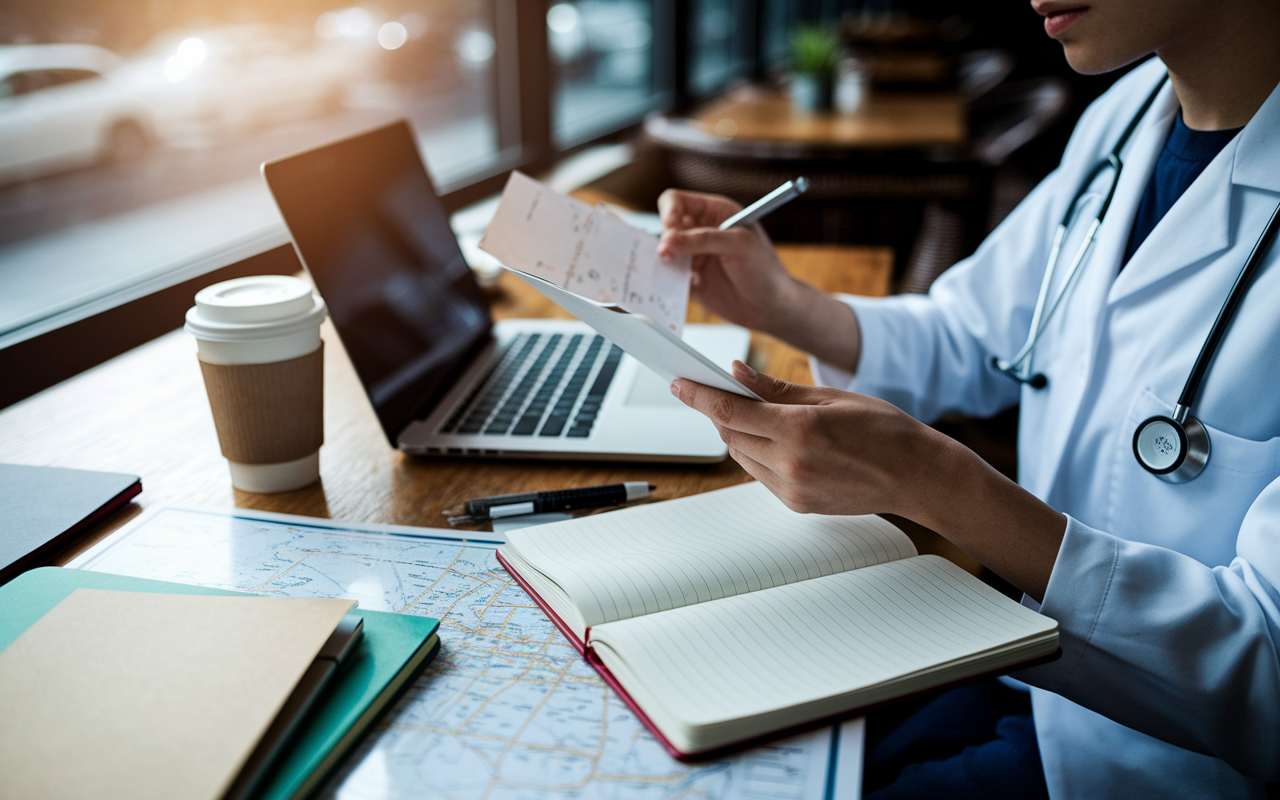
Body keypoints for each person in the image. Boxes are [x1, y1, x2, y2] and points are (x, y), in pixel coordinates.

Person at [655, 1, 1280, 797]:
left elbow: (1266, 666)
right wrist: (783, 304)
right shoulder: (1125, 118)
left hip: (1156, 766)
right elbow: (974, 330)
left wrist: (940, 486)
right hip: (1026, 667)